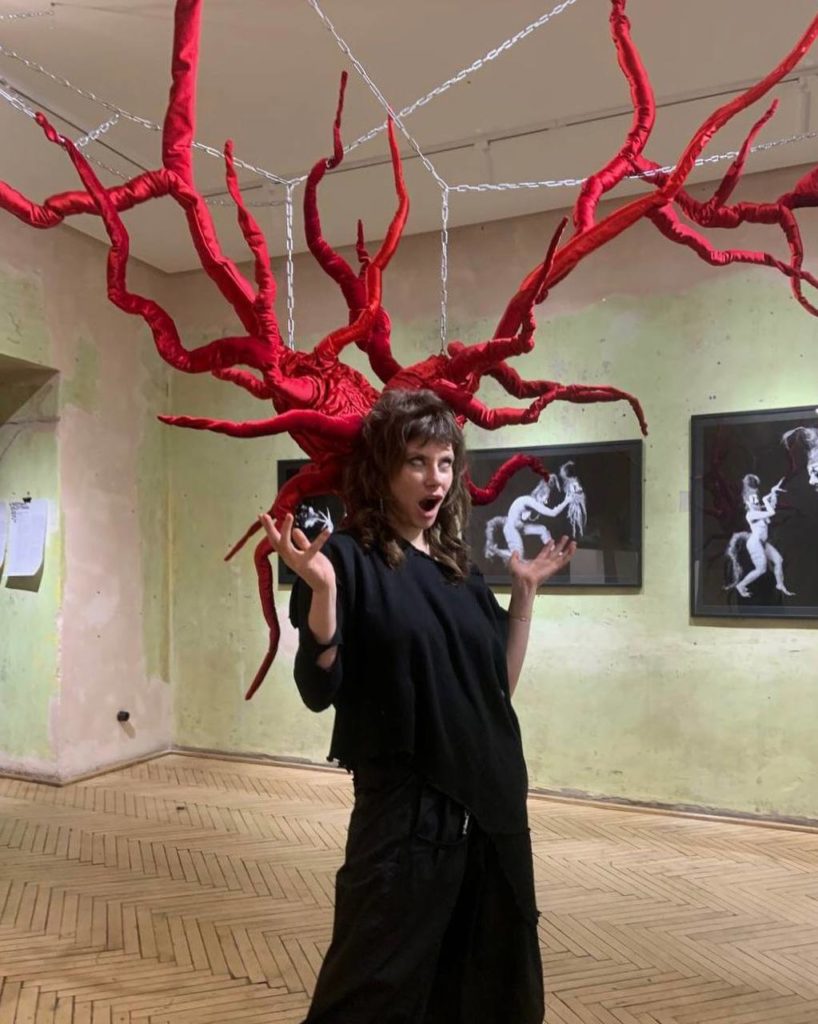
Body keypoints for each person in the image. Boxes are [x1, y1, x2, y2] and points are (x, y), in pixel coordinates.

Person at [260, 388, 576, 1024]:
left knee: (484, 981)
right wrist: (322, 596)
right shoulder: (345, 560)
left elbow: (496, 688)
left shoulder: (459, 568)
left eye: (445, 462)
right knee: (372, 982)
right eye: (416, 461)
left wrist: (523, 596)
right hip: (407, 814)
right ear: (382, 469)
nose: (435, 478)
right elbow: (318, 690)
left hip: (491, 807)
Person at [725, 474, 794, 598]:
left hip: (762, 542)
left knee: (778, 560)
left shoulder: (760, 512)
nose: (756, 502)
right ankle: (741, 585)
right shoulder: (751, 514)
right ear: (748, 503)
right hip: (755, 543)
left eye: (756, 499)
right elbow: (771, 512)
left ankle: (779, 584)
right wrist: (766, 500)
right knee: (761, 569)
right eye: (753, 501)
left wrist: (773, 492)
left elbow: (771, 507)